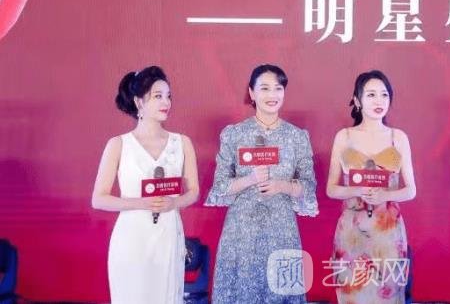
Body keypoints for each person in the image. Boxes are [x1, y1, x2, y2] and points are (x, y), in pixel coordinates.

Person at [205, 64, 318, 303]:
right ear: (252, 93)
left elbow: (309, 187)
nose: (272, 95)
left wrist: (282, 186)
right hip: (241, 231)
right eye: (264, 88)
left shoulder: (297, 137)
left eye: (278, 88)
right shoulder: (235, 134)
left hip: (282, 229)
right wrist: (250, 179)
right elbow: (219, 187)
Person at [92, 66, 200, 304]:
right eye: (158, 96)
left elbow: (193, 192)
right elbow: (99, 199)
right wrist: (141, 203)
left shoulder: (181, 143)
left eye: (168, 96)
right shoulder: (118, 144)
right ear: (139, 102)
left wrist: (174, 202)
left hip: (168, 235)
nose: (166, 102)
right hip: (132, 238)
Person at [326, 70, 416, 304]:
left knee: (389, 295)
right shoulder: (345, 137)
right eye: (371, 95)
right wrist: (358, 191)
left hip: (388, 232)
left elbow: (410, 190)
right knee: (352, 294)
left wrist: (385, 195)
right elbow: (331, 189)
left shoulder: (398, 137)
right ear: (357, 101)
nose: (379, 101)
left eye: (384, 95)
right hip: (351, 232)